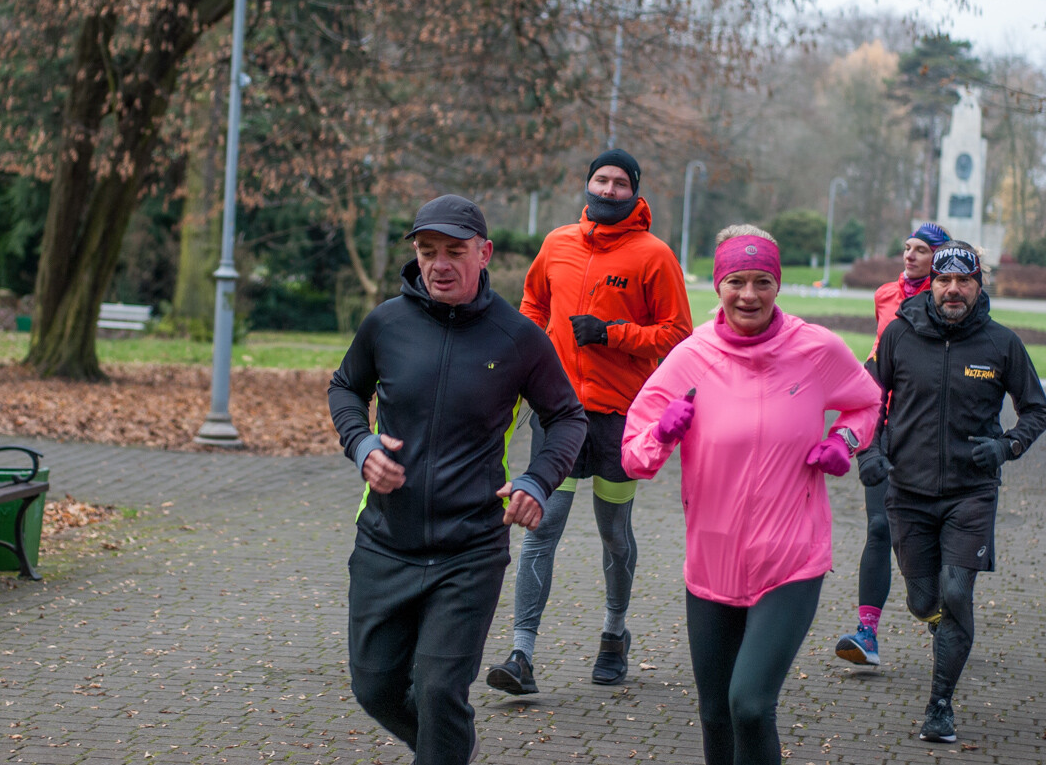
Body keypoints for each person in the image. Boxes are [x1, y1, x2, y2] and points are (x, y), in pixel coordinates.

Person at [328, 194, 587, 764]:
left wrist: (538, 481)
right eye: (427, 251)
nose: (439, 263)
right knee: (374, 687)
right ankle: (449, 748)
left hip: (469, 547)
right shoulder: (386, 323)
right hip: (384, 544)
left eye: (454, 251)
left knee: (441, 691)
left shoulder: (517, 338)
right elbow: (345, 387)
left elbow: (567, 416)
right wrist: (362, 442)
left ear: (484, 253)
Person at [620, 225, 881, 765]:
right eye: (736, 280)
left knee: (751, 705)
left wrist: (844, 440)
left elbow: (867, 402)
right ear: (718, 285)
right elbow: (633, 457)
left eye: (763, 281)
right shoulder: (690, 358)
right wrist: (664, 431)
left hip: (791, 558)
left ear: (777, 285)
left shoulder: (815, 349)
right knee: (715, 712)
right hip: (712, 561)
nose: (749, 295)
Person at [485, 148, 693, 694]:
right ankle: (521, 654)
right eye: (600, 179)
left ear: (634, 191)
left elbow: (678, 335)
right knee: (541, 528)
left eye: (619, 182)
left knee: (614, 534)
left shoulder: (654, 256)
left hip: (621, 418)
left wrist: (612, 333)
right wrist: (524, 357)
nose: (607, 189)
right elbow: (532, 305)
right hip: (558, 415)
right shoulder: (557, 243)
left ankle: (614, 633)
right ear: (587, 184)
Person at [857, 241, 1046, 743]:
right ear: (932, 284)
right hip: (908, 491)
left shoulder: (1002, 344)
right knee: (924, 602)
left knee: (957, 593)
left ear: (979, 286)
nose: (954, 289)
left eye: (965, 281)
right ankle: (943, 625)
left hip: (972, 492)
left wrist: (1007, 448)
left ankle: (940, 704)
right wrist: (868, 453)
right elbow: (865, 401)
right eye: (945, 280)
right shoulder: (898, 335)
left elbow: (1036, 410)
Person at [836, 221, 951, 666]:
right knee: (879, 527)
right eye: (907, 247)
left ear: (939, 258)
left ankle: (941, 611)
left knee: (924, 534)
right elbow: (882, 349)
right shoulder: (885, 294)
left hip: (925, 428)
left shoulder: (949, 298)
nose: (910, 255)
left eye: (921, 250)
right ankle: (867, 634)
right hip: (882, 421)